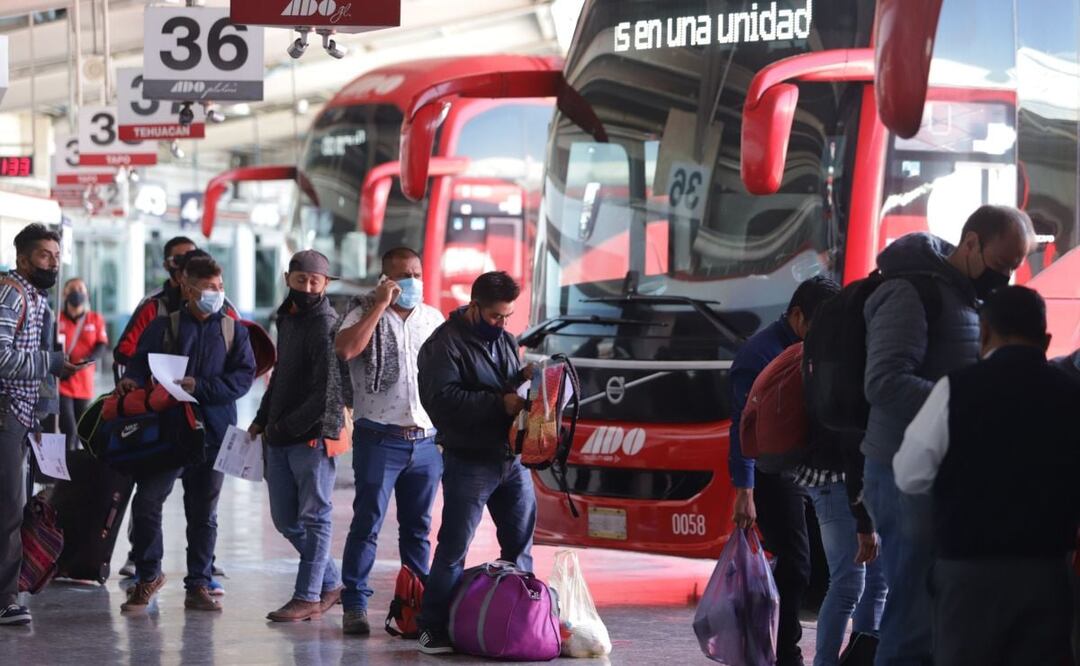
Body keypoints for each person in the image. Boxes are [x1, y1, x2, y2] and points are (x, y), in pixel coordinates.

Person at [861, 205, 1032, 666]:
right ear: (972, 242)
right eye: (1000, 265)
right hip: (901, 471)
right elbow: (883, 382)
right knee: (912, 616)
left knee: (934, 612)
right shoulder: (910, 291)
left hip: (939, 471)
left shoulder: (962, 295)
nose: (1005, 278)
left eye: (1014, 269)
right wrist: (964, 399)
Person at [894, 286, 1080, 666]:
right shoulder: (1071, 394)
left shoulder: (955, 389)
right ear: (1045, 339)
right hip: (1046, 573)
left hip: (967, 573)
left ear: (984, 333)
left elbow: (909, 474)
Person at [116, 256, 255, 613]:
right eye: (208, 288)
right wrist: (131, 378)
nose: (216, 294)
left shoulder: (233, 330)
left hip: (213, 435)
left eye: (219, 287)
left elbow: (242, 379)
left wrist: (202, 386)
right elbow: (137, 362)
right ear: (187, 288)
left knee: (203, 513)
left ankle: (198, 584)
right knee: (147, 503)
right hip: (167, 435)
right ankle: (148, 577)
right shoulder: (162, 326)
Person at [414, 271, 534, 655]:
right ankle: (432, 627)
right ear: (474, 305)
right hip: (469, 460)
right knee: (453, 548)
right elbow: (442, 403)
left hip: (510, 459)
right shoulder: (443, 346)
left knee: (519, 545)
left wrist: (524, 380)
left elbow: (505, 387)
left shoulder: (505, 340)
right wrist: (499, 403)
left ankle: (522, 619)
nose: (502, 324)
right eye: (497, 316)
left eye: (508, 317)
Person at [729, 276, 845, 666]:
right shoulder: (759, 354)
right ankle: (784, 652)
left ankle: (776, 644)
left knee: (807, 564)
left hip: (807, 473)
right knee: (795, 563)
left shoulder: (810, 346)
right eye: (819, 323)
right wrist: (744, 490)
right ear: (797, 315)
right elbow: (741, 427)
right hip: (771, 473)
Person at [335, 247, 444, 636]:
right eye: (403, 276)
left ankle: (416, 606)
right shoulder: (362, 311)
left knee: (418, 529)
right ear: (385, 280)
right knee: (367, 523)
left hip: (426, 441)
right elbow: (346, 349)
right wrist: (378, 307)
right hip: (380, 437)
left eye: (416, 273)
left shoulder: (433, 319)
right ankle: (355, 605)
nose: (412, 281)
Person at [250, 250, 349, 622]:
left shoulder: (326, 325)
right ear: (288, 279)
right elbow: (281, 375)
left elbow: (328, 392)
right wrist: (263, 419)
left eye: (315, 282)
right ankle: (333, 582)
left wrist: (284, 427)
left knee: (314, 517)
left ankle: (308, 595)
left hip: (312, 437)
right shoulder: (287, 318)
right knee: (284, 519)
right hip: (279, 434)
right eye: (301, 280)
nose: (307, 287)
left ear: (324, 285)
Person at [0, 224, 78, 626]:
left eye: (55, 255)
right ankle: (4, 599)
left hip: (21, 415)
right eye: (44, 255)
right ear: (22, 258)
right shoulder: (11, 295)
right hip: (5, 413)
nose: (52, 263)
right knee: (8, 510)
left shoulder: (37, 299)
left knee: (13, 505)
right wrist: (50, 364)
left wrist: (47, 418)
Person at [113, 236, 197, 369]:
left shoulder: (219, 305)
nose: (185, 266)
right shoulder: (154, 306)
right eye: (179, 260)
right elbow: (124, 350)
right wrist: (158, 368)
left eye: (192, 259)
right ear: (166, 265)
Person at [58, 278, 108, 451]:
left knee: (83, 431)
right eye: (72, 288)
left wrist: (86, 361)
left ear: (86, 293)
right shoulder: (57, 320)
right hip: (62, 383)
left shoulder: (95, 319)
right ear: (64, 293)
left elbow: (102, 346)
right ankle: (65, 472)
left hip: (84, 384)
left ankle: (80, 469)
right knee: (69, 431)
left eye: (80, 288)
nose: (76, 291)